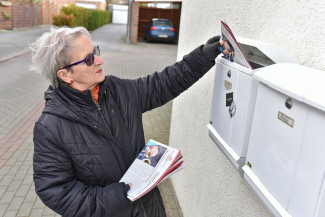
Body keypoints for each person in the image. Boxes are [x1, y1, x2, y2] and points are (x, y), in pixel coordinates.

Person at [31, 25, 223, 217]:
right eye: (89, 59)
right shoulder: (50, 127)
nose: (100, 60)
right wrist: (118, 197)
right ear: (65, 75)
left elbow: (162, 84)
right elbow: (57, 192)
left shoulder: (116, 90)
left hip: (150, 209)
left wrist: (203, 57)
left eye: (95, 51)